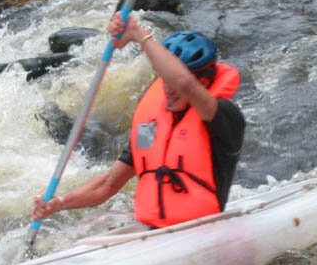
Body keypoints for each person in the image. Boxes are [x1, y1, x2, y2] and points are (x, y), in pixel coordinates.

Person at [30, 12, 245, 229]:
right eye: (163, 80)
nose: (168, 89)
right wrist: (58, 204)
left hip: (202, 230)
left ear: (204, 81)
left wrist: (138, 33)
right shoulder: (152, 124)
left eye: (172, 81)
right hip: (153, 232)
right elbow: (108, 184)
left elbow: (185, 84)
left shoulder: (224, 117)